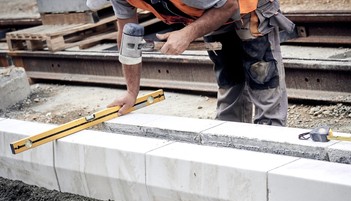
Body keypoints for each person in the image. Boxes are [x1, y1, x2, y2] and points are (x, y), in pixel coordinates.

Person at [107, 0, 295, 126]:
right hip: (212, 8)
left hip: (248, 6)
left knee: (262, 76)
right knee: (229, 78)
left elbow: (229, 5)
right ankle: (229, 137)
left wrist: (187, 33)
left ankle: (271, 140)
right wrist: (132, 92)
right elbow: (127, 35)